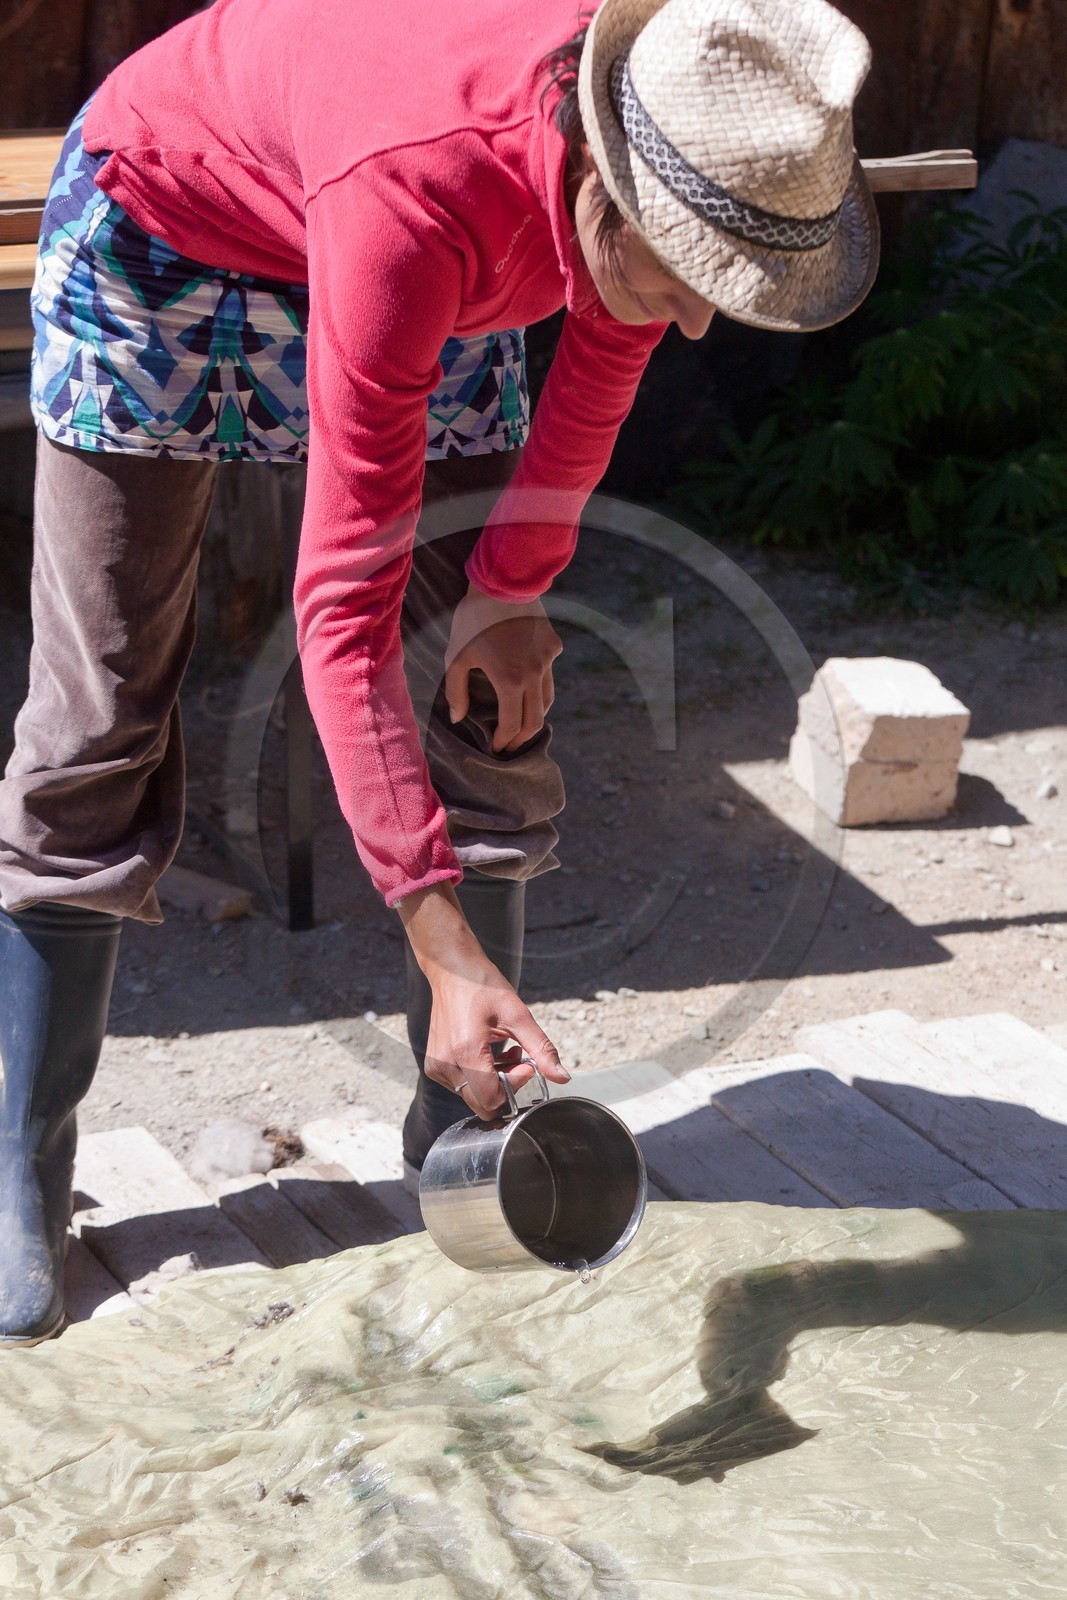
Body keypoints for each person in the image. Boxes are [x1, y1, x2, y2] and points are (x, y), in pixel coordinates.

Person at [0, 0, 878, 1344]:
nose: (696, 323)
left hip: (450, 242)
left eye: (723, 284)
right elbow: (336, 609)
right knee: (99, 716)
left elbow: (595, 379)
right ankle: (19, 1177)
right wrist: (432, 923)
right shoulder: (420, 188)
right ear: (600, 178)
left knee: (492, 703)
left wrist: (509, 594)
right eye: (679, 273)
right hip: (169, 227)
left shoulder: (681, 144)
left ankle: (457, 1139)